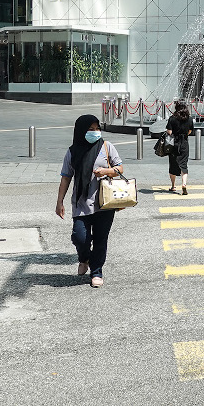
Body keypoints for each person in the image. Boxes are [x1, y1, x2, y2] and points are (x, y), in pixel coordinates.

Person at [56, 114, 124, 288]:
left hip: (104, 202)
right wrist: (59, 202)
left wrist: (106, 171)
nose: (95, 132)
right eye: (90, 129)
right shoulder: (72, 151)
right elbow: (65, 178)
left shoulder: (107, 147)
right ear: (81, 131)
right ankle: (84, 258)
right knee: (80, 238)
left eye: (97, 129)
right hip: (81, 203)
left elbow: (119, 168)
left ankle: (96, 271)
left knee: (101, 239)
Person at [166, 100, 194, 195]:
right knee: (184, 165)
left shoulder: (172, 118)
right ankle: (184, 184)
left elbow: (169, 132)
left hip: (174, 144)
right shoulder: (189, 119)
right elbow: (190, 131)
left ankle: (173, 186)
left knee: (173, 165)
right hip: (184, 143)